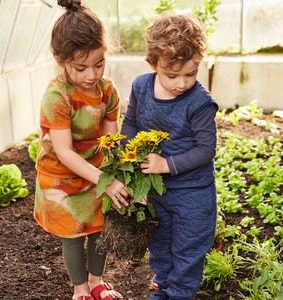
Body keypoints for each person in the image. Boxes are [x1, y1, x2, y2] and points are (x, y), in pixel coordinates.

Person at [34, 1, 128, 299]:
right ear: (59, 60)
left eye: (99, 63)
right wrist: (106, 180)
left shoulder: (107, 90)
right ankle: (81, 289)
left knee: (99, 229)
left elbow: (111, 141)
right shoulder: (57, 96)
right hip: (60, 178)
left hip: (96, 172)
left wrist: (121, 173)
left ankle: (97, 282)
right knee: (73, 235)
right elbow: (64, 152)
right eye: (81, 67)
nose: (91, 74)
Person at [121, 13, 218, 300]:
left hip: (193, 194)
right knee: (160, 243)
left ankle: (179, 294)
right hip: (156, 191)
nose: (182, 83)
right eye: (172, 75)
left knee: (188, 249)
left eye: (191, 74)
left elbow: (206, 149)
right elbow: (131, 123)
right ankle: (163, 288)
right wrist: (128, 159)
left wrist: (166, 164)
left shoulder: (199, 103)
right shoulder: (141, 86)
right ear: (153, 64)